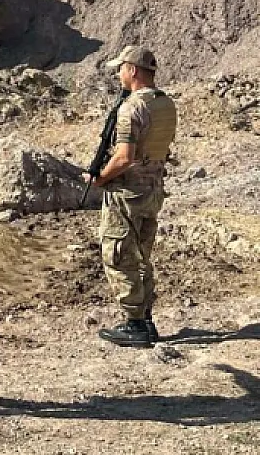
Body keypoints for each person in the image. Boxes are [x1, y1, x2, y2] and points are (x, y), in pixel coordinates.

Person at [89, 46, 177, 348]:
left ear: (133, 71)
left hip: (127, 193)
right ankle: (147, 319)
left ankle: (135, 323)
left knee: (117, 254)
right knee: (142, 254)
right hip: (152, 190)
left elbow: (124, 157)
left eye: (121, 69)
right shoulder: (165, 104)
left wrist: (100, 178)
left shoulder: (131, 109)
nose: (118, 74)